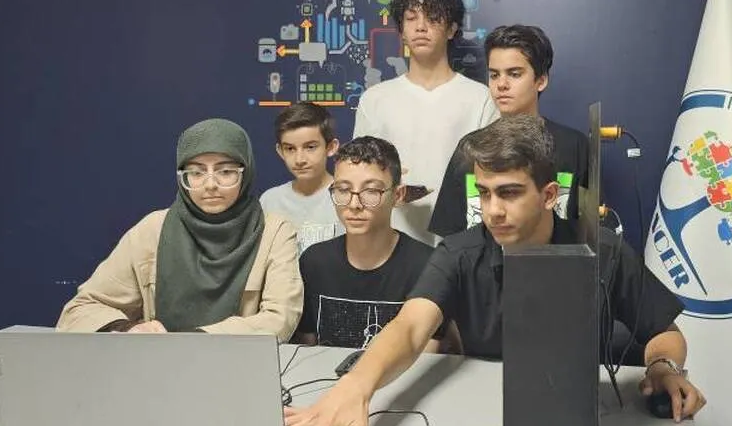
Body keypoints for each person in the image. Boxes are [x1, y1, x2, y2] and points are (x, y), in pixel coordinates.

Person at [284, 116, 704, 426]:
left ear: (549, 195)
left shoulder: (604, 251)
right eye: (484, 193)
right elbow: (410, 327)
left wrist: (663, 367)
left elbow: (664, 332)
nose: (493, 210)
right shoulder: (460, 253)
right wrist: (357, 385)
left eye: (509, 192)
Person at [57, 118, 303, 341]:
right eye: (196, 172)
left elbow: (279, 318)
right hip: (157, 367)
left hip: (237, 365)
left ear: (246, 172)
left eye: (226, 171)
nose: (210, 184)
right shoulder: (153, 229)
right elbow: (81, 309)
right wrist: (127, 328)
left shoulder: (274, 231)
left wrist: (190, 341)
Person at [352, 0, 498, 245]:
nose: (420, 27)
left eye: (432, 18)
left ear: (452, 28)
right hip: (389, 243)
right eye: (411, 18)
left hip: (461, 244)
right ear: (401, 30)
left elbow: (493, 174)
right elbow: (358, 173)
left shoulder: (481, 99)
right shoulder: (375, 99)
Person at [429, 24, 589, 238]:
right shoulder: (471, 148)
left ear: (541, 80)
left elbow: (590, 231)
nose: (501, 84)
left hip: (555, 258)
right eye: (494, 75)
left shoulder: (573, 146)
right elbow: (449, 233)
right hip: (484, 259)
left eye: (514, 74)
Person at [294, 137, 443, 351]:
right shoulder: (315, 262)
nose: (354, 204)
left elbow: (433, 346)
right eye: (343, 190)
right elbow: (305, 346)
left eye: (371, 191)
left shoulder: (427, 266)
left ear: (398, 195)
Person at [260, 102, 343, 253]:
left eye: (310, 147)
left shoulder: (347, 198)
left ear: (331, 147)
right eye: (290, 149)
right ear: (280, 151)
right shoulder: (269, 201)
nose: (299, 159)